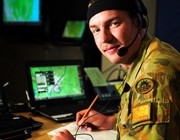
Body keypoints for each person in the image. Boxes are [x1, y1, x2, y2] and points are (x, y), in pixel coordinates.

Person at [51, 0, 180, 139]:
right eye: (96, 30)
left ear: (138, 22)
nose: (105, 38)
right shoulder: (151, 53)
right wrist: (111, 121)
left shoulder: (154, 76)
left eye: (114, 24)